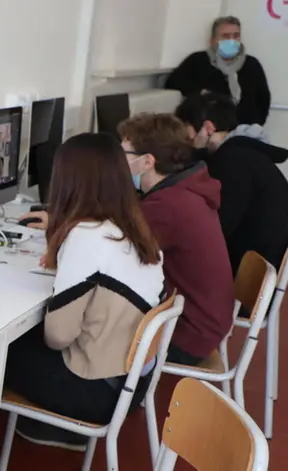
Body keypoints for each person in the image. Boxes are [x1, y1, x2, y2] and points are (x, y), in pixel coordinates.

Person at [0, 133, 165, 450]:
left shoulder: (87, 235)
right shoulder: (133, 226)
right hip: (130, 380)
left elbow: (58, 336)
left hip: (97, 389)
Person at [117, 113, 234, 366]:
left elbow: (117, 252)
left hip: (186, 334)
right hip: (205, 323)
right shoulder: (185, 189)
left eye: (123, 155)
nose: (116, 162)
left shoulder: (167, 205)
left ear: (147, 162)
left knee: (89, 331)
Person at [175, 92, 288, 274]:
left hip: (255, 268)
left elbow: (218, 229)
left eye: (186, 133)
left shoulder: (233, 160)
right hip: (265, 262)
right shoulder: (245, 152)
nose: (186, 142)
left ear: (208, 128)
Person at [165, 16, 271, 126]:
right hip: (207, 132)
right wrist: (202, 94)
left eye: (236, 35)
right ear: (213, 40)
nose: (232, 40)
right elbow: (173, 83)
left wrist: (255, 126)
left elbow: (263, 99)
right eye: (226, 36)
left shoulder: (252, 64)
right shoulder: (197, 61)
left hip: (244, 132)